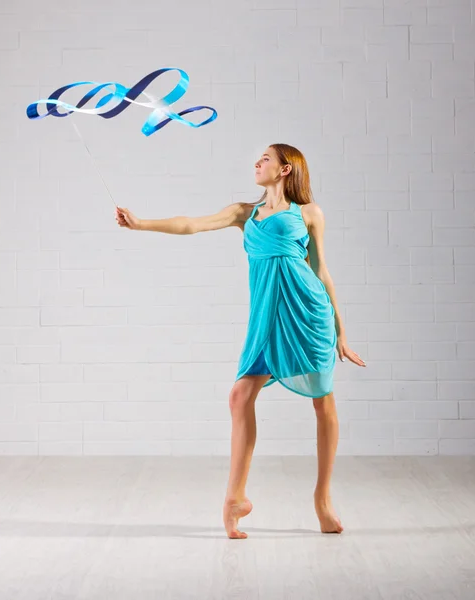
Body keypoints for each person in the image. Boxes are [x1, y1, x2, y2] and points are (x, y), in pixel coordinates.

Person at [114, 143, 366, 539]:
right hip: (266, 318)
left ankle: (322, 498)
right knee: (239, 396)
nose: (257, 162)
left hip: (308, 314)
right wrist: (140, 223)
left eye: (265, 158)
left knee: (324, 403)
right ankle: (235, 497)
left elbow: (321, 271)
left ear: (286, 170)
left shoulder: (309, 213)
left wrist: (341, 332)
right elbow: (190, 224)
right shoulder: (243, 214)